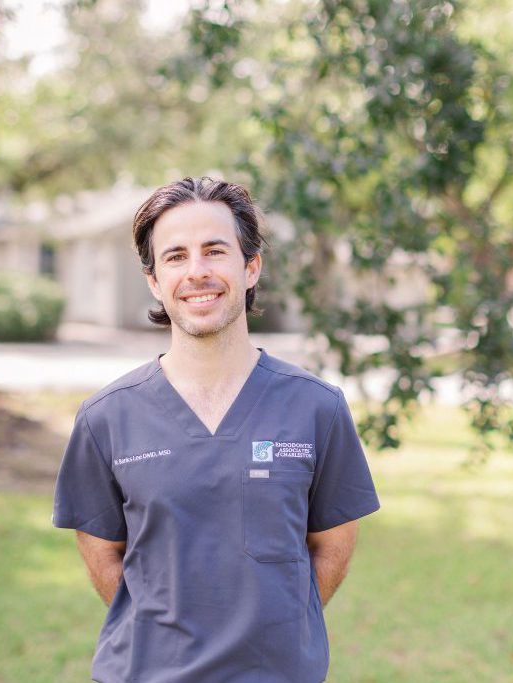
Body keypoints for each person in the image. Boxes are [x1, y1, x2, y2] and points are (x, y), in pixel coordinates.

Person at [52, 177, 381, 683]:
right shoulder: (106, 418)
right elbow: (100, 552)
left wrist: (278, 634)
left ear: (251, 268)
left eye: (214, 251)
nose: (197, 272)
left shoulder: (317, 408)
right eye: (176, 256)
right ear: (155, 280)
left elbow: (333, 545)